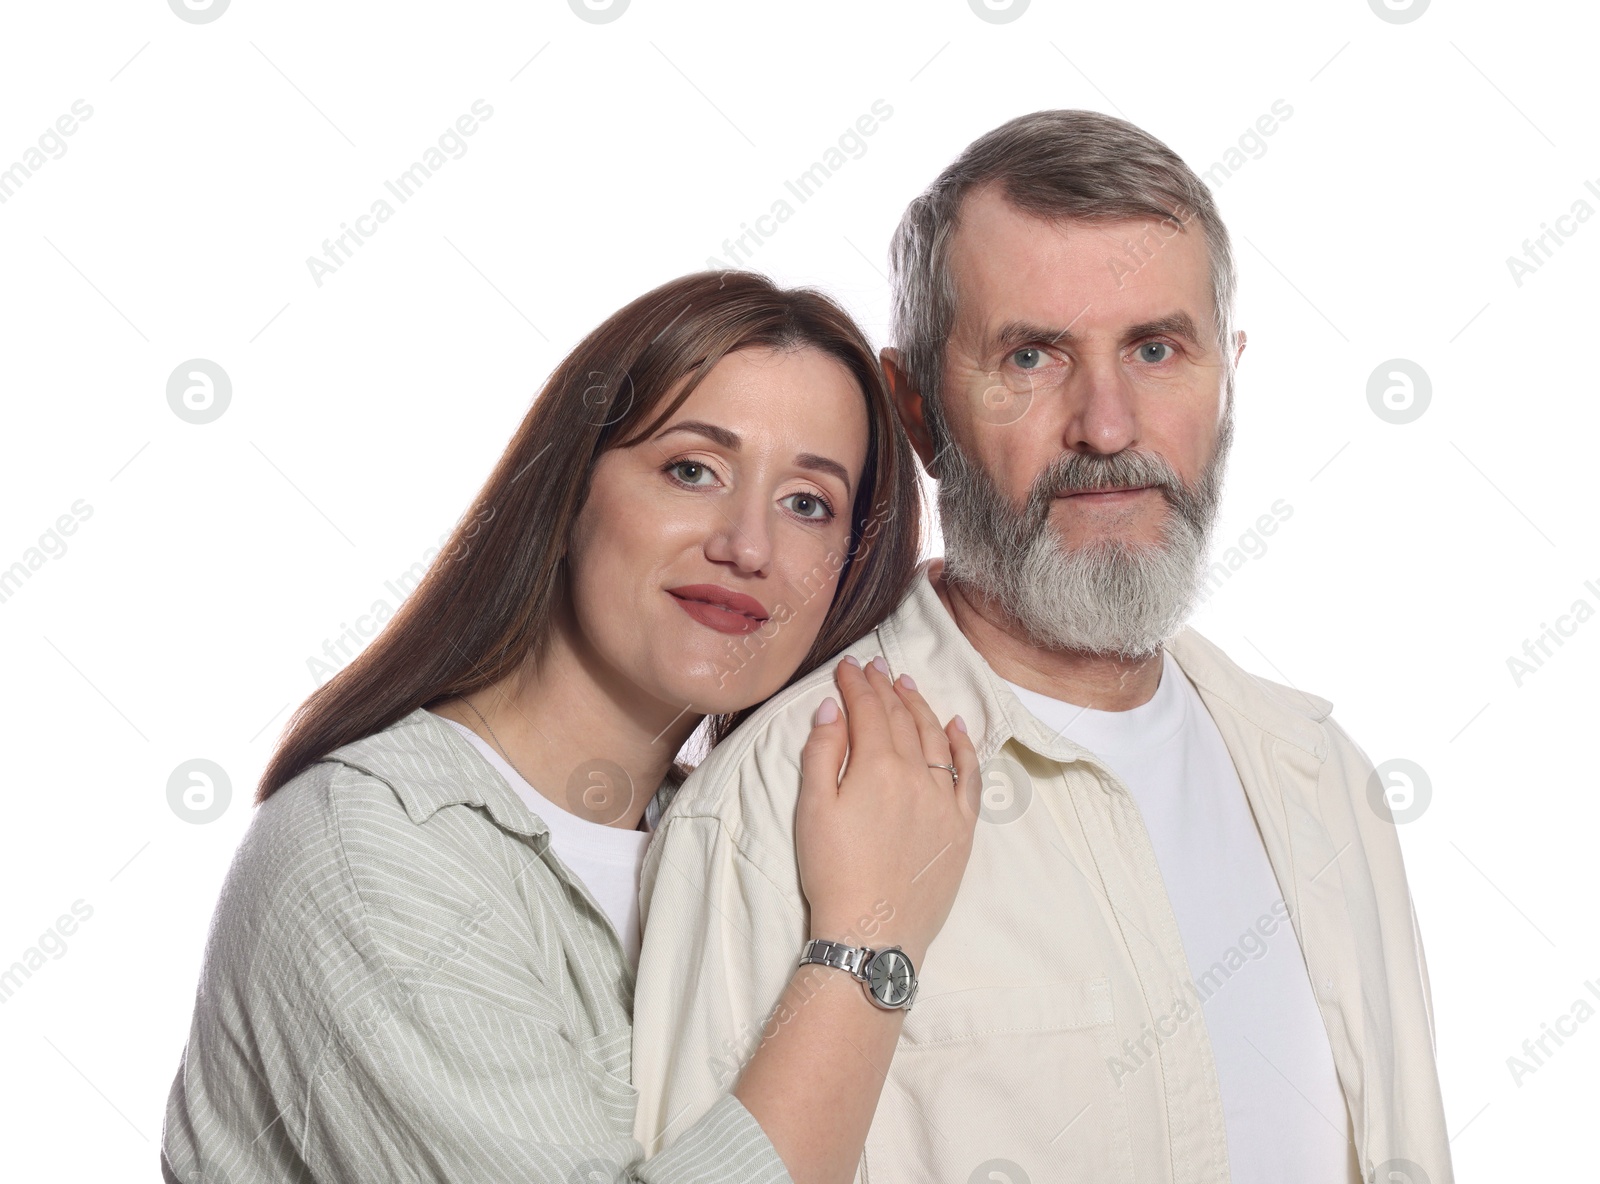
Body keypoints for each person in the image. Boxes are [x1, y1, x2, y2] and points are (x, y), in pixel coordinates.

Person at [632, 112, 1454, 1184]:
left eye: (1156, 349)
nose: (1106, 425)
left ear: (1226, 374)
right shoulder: (770, 803)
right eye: (1031, 356)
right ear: (917, 410)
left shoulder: (1328, 783)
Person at [159, 269, 982, 1184]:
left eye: (808, 504)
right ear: (568, 496)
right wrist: (870, 943)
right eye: (692, 470)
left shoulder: (759, 833)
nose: (748, 546)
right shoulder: (370, 851)